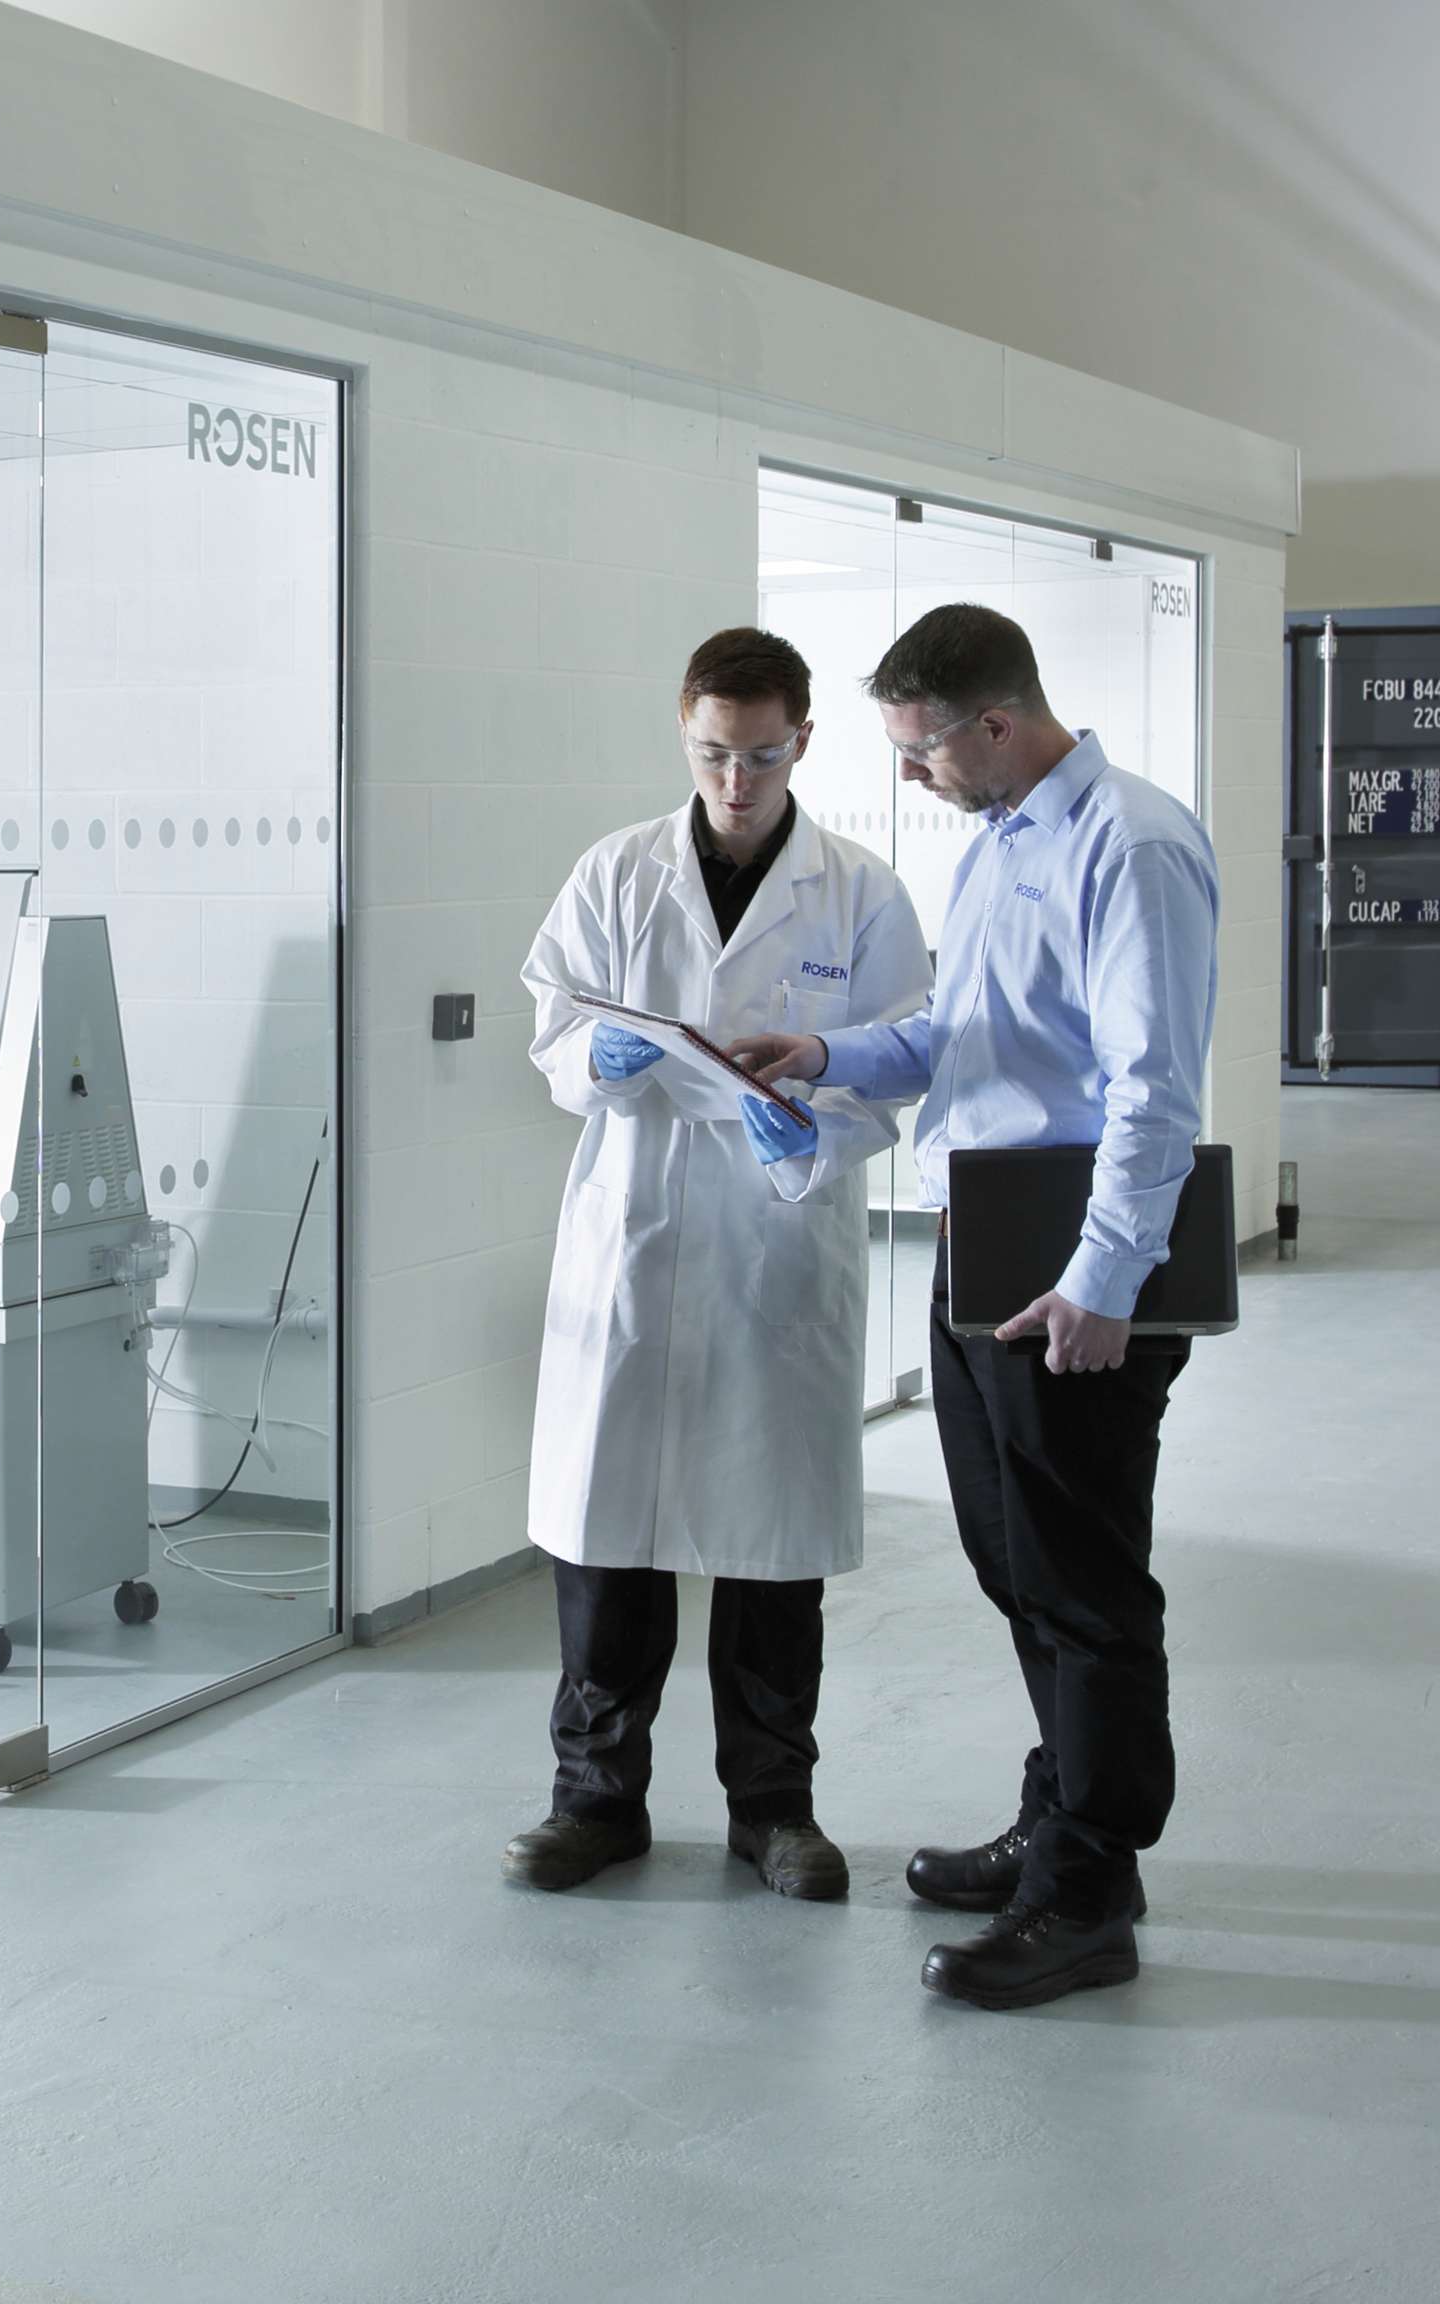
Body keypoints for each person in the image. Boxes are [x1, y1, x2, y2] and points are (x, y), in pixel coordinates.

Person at [731, 602, 1217, 2011]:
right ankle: (1058, 1812)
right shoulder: (1007, 842)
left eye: (920, 749)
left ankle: (1091, 1889)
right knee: (1018, 1564)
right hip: (989, 1243)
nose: (907, 779)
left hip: (1076, 1263)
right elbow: (965, 1031)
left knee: (1086, 1584)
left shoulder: (1128, 847)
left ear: (995, 724)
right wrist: (825, 1049)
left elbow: (1153, 1090)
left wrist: (1104, 1280)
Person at [506, 628, 930, 1902]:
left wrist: (812, 1122)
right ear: (682, 737)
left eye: (757, 756)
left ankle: (774, 1810)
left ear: (803, 738)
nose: (733, 782)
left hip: (775, 1242)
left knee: (769, 1544)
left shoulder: (860, 892)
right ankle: (596, 1800)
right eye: (709, 755)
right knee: (608, 1538)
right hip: (635, 1227)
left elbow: (905, 1052)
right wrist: (600, 1062)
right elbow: (553, 1029)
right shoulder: (618, 873)